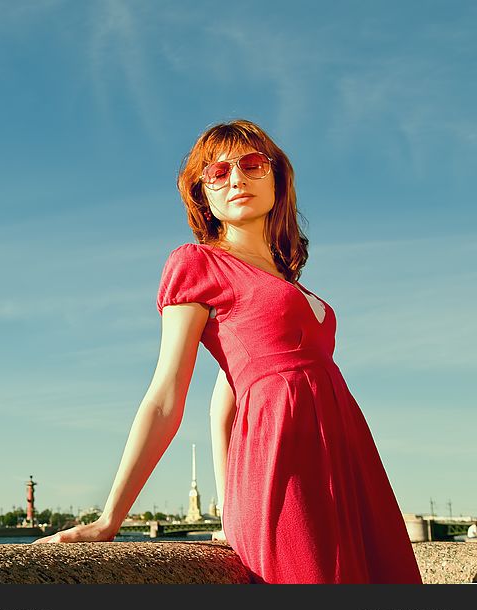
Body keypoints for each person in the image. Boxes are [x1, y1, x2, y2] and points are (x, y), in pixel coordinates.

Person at [34, 119, 423, 584]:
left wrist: (224, 510)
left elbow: (226, 399)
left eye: (252, 164)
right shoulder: (197, 264)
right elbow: (165, 396)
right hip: (283, 461)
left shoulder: (285, 279)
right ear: (204, 195)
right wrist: (109, 519)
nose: (236, 178)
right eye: (217, 173)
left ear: (277, 177)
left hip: (348, 460)